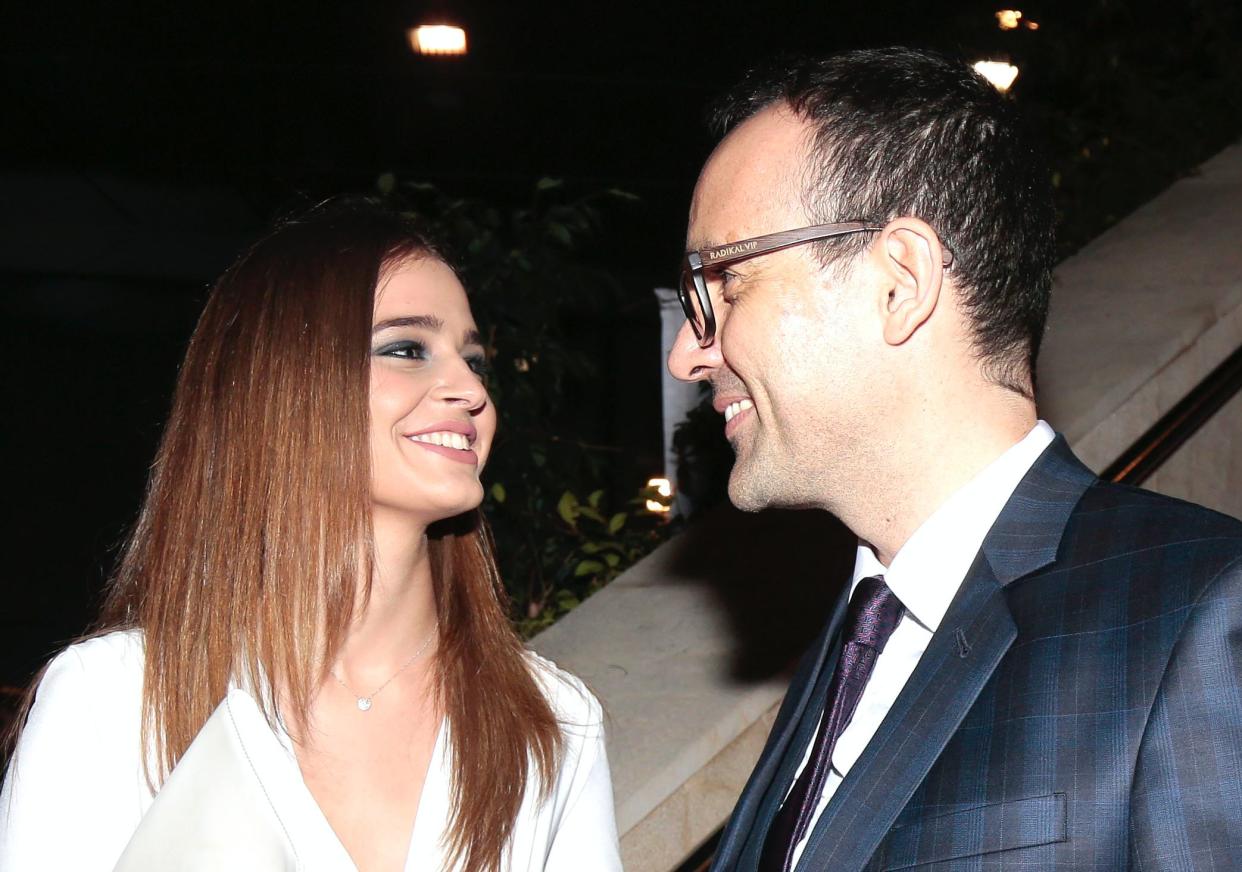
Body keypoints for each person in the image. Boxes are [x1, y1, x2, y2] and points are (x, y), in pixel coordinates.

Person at [668, 47, 1242, 871]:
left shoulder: (1202, 613)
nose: (689, 352)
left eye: (722, 284)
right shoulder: (848, 647)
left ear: (900, 281)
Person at [0, 199, 621, 871]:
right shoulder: (114, 700)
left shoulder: (549, 721)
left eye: (474, 359)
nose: (469, 388)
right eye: (408, 348)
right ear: (283, 385)